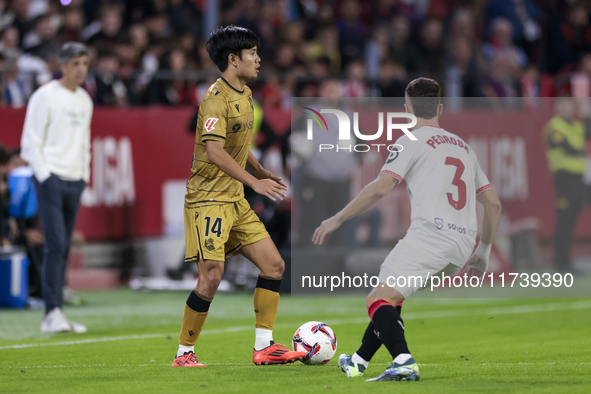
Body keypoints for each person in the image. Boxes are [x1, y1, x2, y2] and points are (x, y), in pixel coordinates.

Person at [313, 78, 502, 381]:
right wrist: (484, 251)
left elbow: (380, 188)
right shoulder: (465, 147)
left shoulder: (411, 140)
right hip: (461, 245)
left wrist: (337, 218)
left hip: (431, 236)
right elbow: (492, 204)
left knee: (378, 300)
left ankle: (403, 361)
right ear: (440, 107)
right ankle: (359, 361)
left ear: (407, 109)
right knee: (392, 297)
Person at [172, 25, 306, 368]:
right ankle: (184, 353)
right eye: (252, 54)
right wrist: (255, 183)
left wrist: (259, 171)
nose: (259, 60)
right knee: (212, 276)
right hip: (207, 200)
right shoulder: (215, 99)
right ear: (233, 60)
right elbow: (215, 151)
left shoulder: (245, 93)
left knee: (274, 265)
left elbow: (239, 146)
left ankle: (265, 347)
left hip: (234, 199)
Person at [20, 42, 92, 333]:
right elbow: (30, 142)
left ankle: (56, 310)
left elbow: (85, 143)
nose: (80, 69)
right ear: (61, 66)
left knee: (62, 247)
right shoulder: (44, 96)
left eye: (84, 63)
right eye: (75, 63)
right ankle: (51, 312)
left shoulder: (85, 100)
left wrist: (84, 174)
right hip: (51, 178)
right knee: (56, 245)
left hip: (75, 180)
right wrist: (45, 176)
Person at [543, 97, 590, 273]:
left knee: (572, 221)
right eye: (561, 105)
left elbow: (588, 133)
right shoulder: (554, 126)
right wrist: (581, 150)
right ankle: (561, 263)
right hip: (564, 179)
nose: (565, 109)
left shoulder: (577, 125)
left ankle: (567, 261)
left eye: (568, 105)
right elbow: (567, 146)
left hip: (579, 179)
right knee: (564, 220)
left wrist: (586, 117)